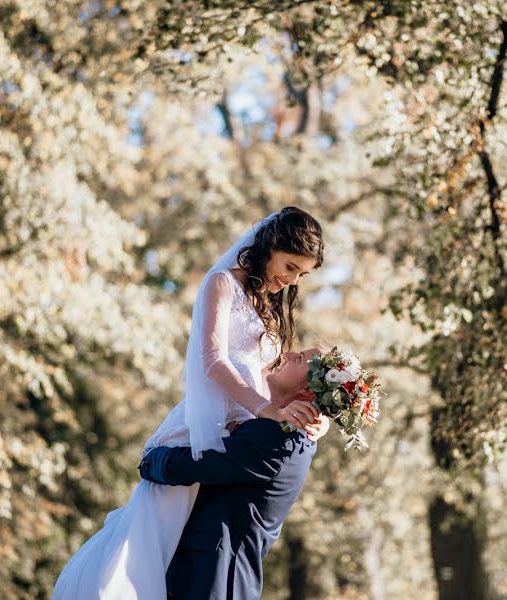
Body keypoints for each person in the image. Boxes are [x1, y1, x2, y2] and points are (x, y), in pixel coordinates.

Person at [52, 208, 326, 599]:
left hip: (238, 437)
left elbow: (277, 376)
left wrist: (321, 418)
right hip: (203, 427)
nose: (293, 279)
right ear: (270, 246)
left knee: (183, 549)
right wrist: (263, 410)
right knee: (150, 539)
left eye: (302, 274)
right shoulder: (221, 284)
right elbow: (214, 361)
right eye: (291, 265)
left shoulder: (268, 310)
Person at [139, 348, 323, 600]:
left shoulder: (280, 438)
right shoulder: (284, 433)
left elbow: (200, 465)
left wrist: (153, 460)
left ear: (308, 392)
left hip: (212, 581)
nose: (288, 354)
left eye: (299, 359)